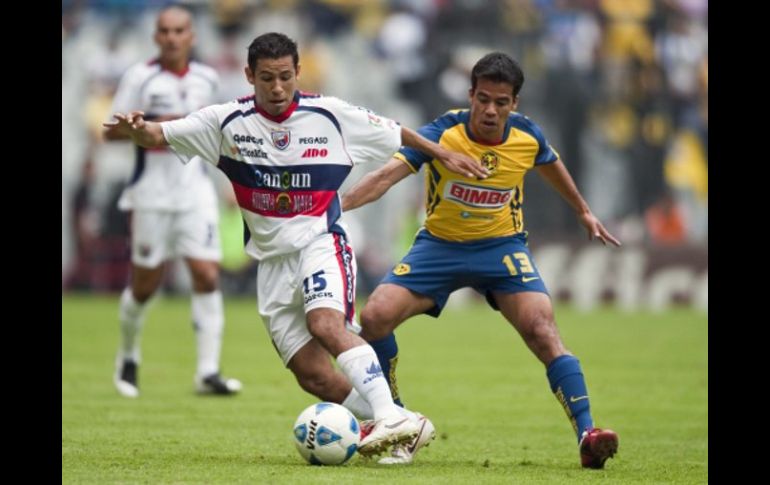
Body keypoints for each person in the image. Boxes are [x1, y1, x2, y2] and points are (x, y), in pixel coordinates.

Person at [103, 32, 486, 457]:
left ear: (299, 72)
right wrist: (137, 129)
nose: (277, 87)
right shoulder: (224, 122)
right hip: (270, 262)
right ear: (249, 75)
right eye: (267, 77)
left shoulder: (331, 115)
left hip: (320, 243)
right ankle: (403, 423)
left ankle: (388, 416)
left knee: (326, 325)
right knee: (312, 376)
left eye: (286, 76)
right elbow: (159, 134)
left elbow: (397, 133)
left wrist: (442, 154)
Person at [342, 52, 621, 468]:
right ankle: (396, 420)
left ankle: (587, 434)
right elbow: (385, 176)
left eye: (501, 102)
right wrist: (336, 207)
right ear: (471, 95)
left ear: (514, 103)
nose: (491, 110)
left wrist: (583, 210)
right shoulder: (443, 133)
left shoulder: (527, 136)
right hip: (440, 246)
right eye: (484, 99)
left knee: (542, 329)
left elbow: (550, 163)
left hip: (501, 248)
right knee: (376, 316)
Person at [104, 5, 241, 398]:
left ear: (191, 36)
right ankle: (128, 356)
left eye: (179, 31)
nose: (171, 37)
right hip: (151, 194)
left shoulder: (207, 79)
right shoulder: (140, 77)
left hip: (195, 191)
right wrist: (137, 128)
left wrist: (230, 179)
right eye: (165, 31)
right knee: (146, 285)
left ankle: (208, 372)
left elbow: (222, 132)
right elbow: (109, 132)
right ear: (156, 36)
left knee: (207, 274)